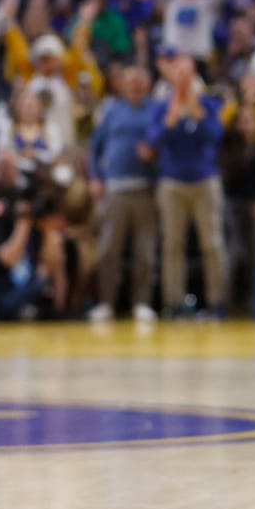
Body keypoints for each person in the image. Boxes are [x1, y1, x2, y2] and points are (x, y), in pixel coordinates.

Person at [148, 50, 226, 316]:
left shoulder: (209, 103)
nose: (181, 78)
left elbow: (214, 136)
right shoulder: (161, 105)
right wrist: (171, 117)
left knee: (212, 243)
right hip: (172, 183)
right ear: (170, 75)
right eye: (176, 72)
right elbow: (154, 140)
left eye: (186, 72)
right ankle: (174, 302)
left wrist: (195, 110)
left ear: (193, 74)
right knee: (172, 244)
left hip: (205, 181)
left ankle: (217, 302)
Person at [88, 65, 159, 323]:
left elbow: (163, 144)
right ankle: (106, 303)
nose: (135, 86)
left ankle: (141, 302)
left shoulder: (155, 110)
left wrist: (155, 155)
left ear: (148, 85)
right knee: (108, 249)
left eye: (140, 81)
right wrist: (96, 177)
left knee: (145, 250)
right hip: (115, 188)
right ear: (122, 84)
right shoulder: (112, 110)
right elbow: (94, 146)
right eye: (131, 81)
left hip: (146, 188)